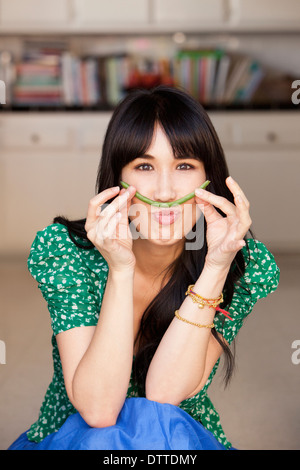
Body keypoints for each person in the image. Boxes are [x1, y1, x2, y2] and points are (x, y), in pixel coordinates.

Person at [8, 86, 279, 450]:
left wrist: (216, 267)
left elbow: (164, 395)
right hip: (78, 437)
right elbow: (99, 410)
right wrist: (121, 270)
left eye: (184, 165)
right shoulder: (66, 250)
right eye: (145, 166)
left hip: (177, 437)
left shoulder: (245, 264)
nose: (165, 191)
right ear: (117, 178)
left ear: (209, 179)